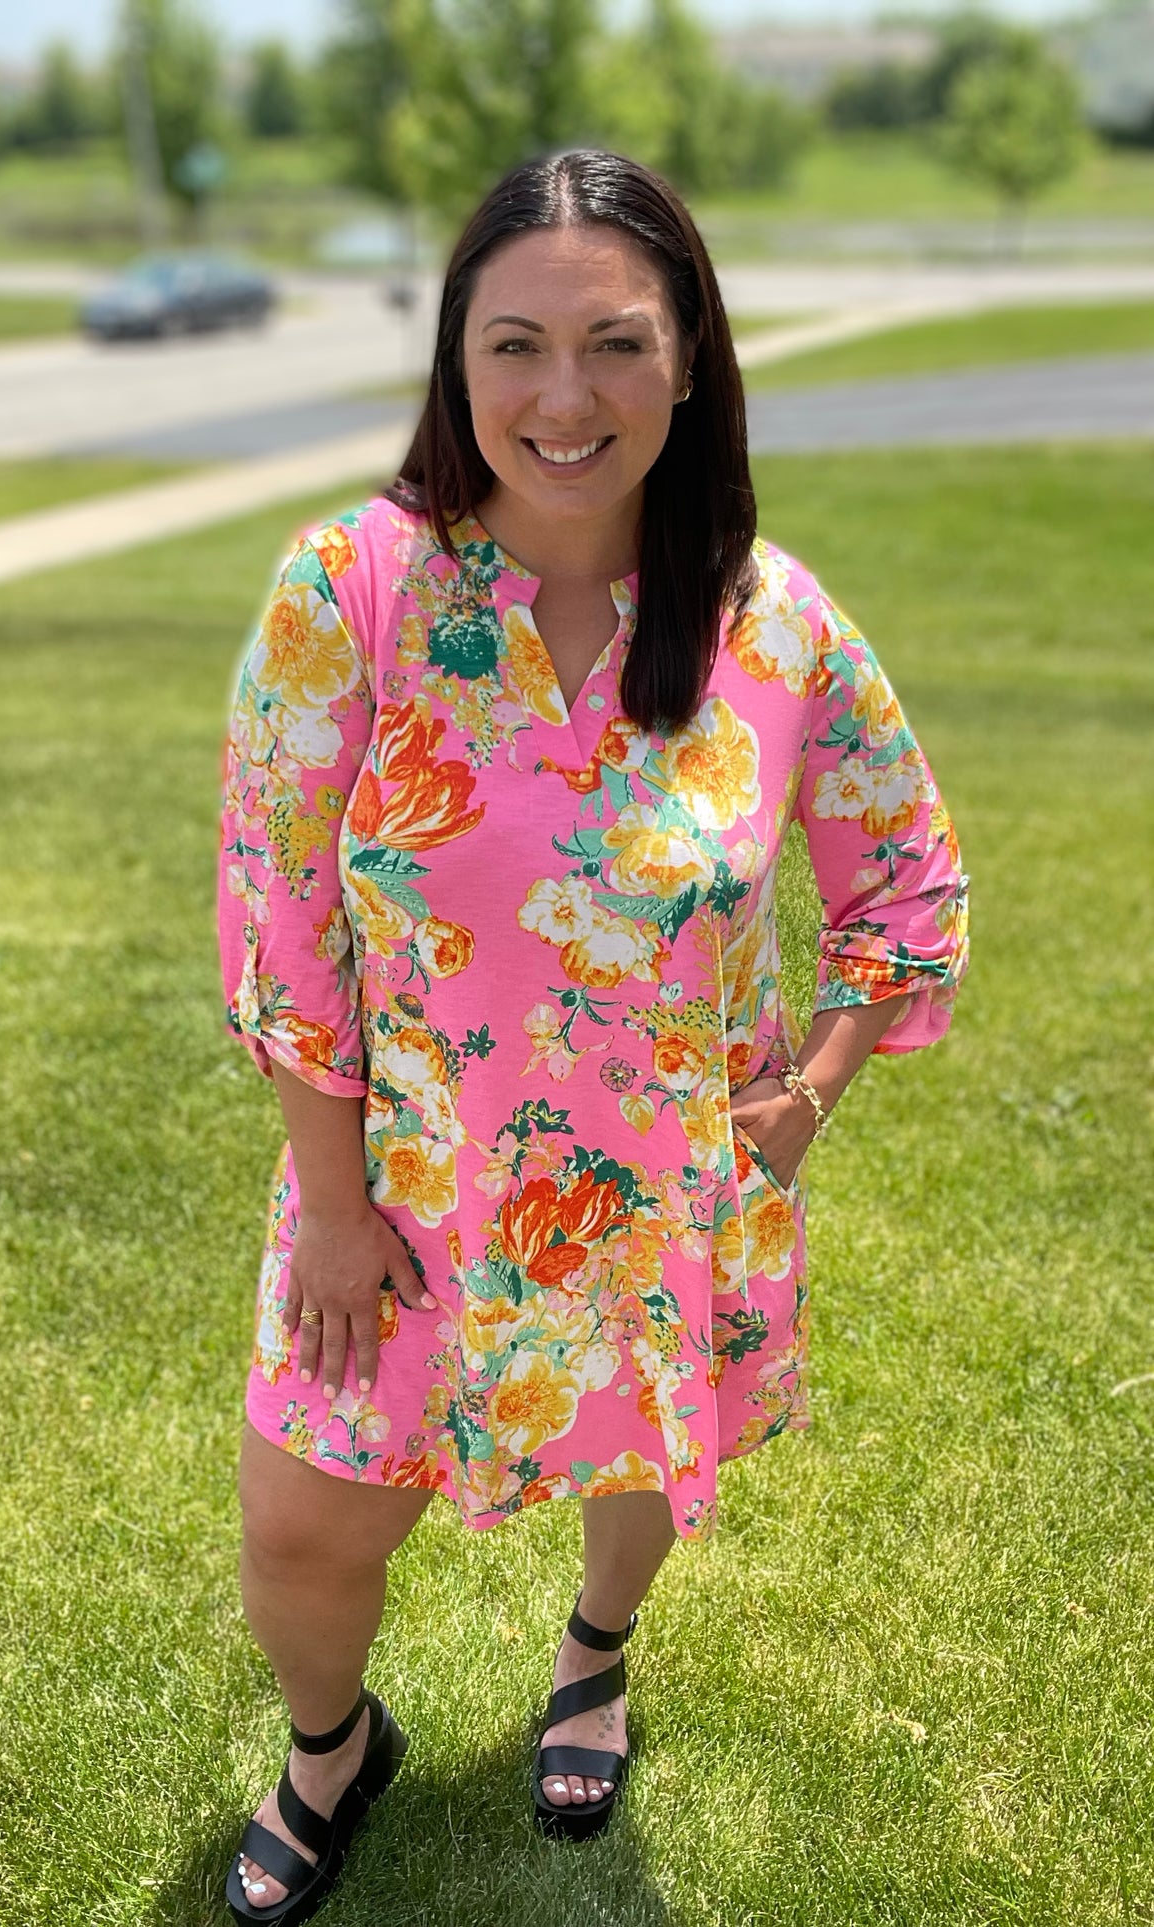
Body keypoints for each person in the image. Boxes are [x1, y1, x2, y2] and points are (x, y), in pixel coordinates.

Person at [215, 148, 969, 1923]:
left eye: (616, 343)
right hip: (398, 1206)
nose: (563, 398)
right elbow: (279, 916)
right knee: (302, 1532)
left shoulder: (769, 621)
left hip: (666, 1199)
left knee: (641, 1463)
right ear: (454, 363)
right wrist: (330, 1202)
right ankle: (332, 1747)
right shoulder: (354, 594)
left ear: (690, 357)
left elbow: (905, 872)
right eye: (514, 346)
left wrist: (810, 1091)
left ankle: (593, 1652)